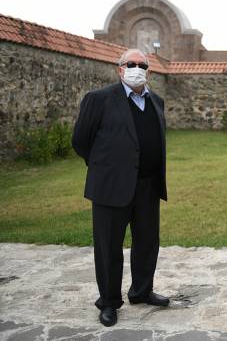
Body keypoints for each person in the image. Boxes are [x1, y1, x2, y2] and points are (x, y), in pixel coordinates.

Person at [72, 48, 169, 327]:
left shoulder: (157, 101)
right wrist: (104, 167)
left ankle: (141, 291)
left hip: (148, 186)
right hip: (110, 187)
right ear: (120, 69)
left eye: (142, 65)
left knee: (147, 242)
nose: (137, 68)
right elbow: (80, 140)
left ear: (149, 72)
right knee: (108, 247)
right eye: (131, 64)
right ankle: (109, 302)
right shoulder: (99, 99)